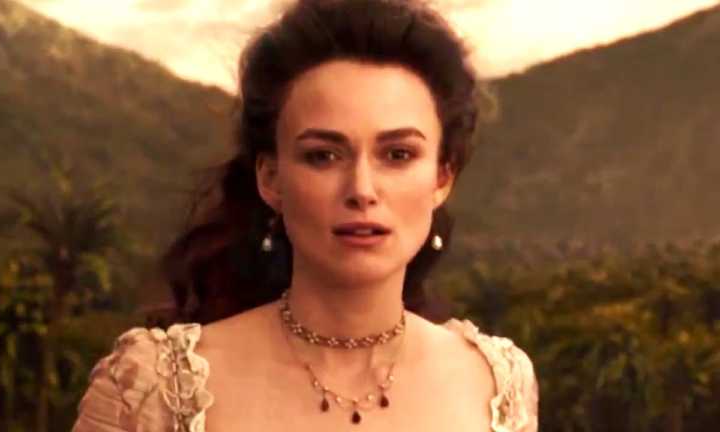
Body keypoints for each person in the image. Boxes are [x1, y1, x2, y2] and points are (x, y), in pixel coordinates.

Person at [72, 0, 538, 431]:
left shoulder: (495, 385)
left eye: (397, 154)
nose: (362, 190)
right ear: (271, 178)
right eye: (323, 156)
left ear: (441, 177)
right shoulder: (150, 389)